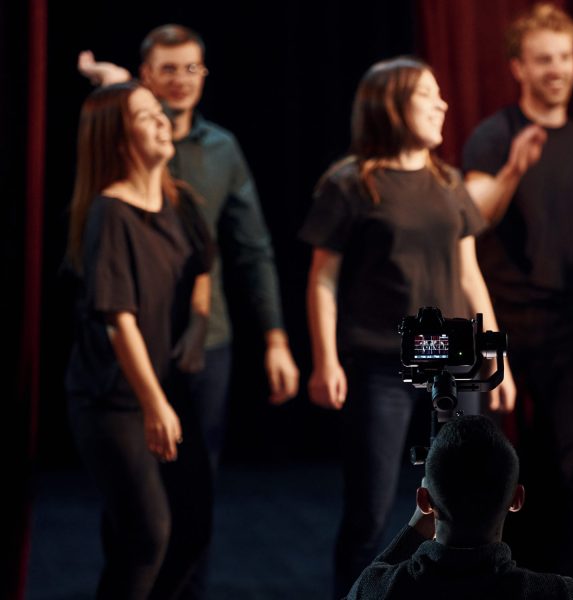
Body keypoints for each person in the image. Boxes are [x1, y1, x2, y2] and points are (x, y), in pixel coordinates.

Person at [301, 56, 516, 596]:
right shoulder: (352, 184)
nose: (442, 104)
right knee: (370, 510)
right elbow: (323, 278)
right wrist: (325, 358)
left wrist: (498, 357)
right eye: (428, 94)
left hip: (459, 366)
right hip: (382, 365)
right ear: (392, 105)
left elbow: (469, 273)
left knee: (467, 504)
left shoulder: (447, 182)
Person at [78, 24, 300, 474]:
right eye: (169, 69)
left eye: (192, 67)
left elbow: (252, 249)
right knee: (137, 490)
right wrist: (114, 83)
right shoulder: (124, 138)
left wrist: (275, 338)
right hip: (131, 335)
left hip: (206, 337)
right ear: (146, 76)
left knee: (197, 479)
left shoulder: (221, 149)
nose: (182, 79)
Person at [460, 4, 573, 588]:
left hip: (565, 328)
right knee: (493, 474)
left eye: (565, 57)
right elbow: (469, 220)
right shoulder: (493, 135)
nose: (557, 69)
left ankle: (566, 588)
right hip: (499, 326)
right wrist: (511, 171)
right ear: (518, 68)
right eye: (544, 58)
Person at [64, 81, 214, 599]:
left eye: (159, 113)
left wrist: (196, 329)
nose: (160, 120)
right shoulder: (110, 211)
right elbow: (116, 317)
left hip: (167, 390)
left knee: (192, 526)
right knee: (147, 534)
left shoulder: (182, 202)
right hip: (115, 401)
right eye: (145, 116)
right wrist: (153, 403)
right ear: (118, 136)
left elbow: (203, 268)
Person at [345, 415, 573, 599]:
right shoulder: (559, 594)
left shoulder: (378, 589)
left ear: (423, 500)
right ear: (517, 499)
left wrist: (415, 529)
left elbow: (365, 586)